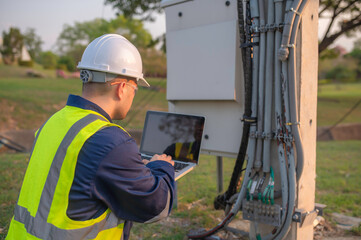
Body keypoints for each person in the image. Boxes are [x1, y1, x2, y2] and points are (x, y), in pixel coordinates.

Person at [6, 34, 175, 240]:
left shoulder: (54, 121)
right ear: (122, 88)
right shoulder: (111, 141)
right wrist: (162, 167)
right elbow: (156, 206)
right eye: (135, 89)